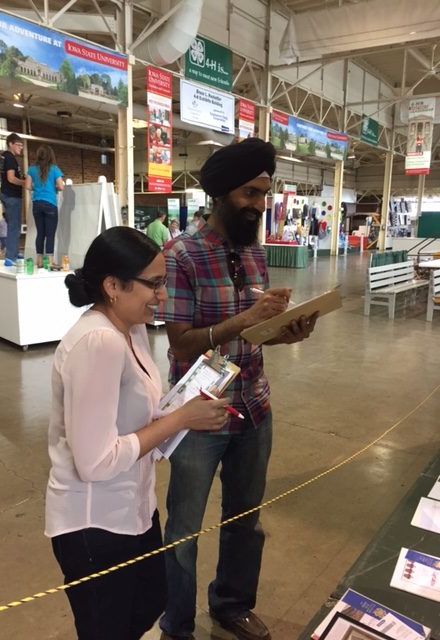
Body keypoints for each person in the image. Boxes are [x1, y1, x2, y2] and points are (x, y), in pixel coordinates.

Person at [159, 138, 318, 640]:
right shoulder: (181, 255)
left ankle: (230, 604)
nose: (258, 205)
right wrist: (248, 317)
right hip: (199, 414)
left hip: (255, 406)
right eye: (250, 193)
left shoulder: (254, 252)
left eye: (264, 194)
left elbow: (255, 333)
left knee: (245, 519)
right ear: (222, 193)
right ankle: (177, 625)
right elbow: (182, 345)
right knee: (183, 529)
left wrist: (287, 329)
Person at [45, 226, 230, 640]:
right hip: (94, 524)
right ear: (113, 285)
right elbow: (95, 463)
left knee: (150, 600)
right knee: (108, 629)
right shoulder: (98, 342)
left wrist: (187, 406)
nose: (163, 295)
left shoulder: (131, 330)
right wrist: (181, 421)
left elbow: (141, 418)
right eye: (155, 284)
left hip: (133, 508)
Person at [26, 145, 64, 268]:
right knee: (50, 234)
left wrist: (37, 188)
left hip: (36, 204)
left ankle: (40, 261)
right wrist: (54, 188)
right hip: (50, 204)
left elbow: (27, 186)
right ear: (50, 156)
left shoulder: (31, 169)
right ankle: (50, 262)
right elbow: (61, 186)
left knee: (40, 233)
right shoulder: (54, 169)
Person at [0, 132, 25, 265]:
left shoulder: (5, 156)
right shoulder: (9, 157)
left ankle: (13, 252)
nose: (21, 148)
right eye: (18, 145)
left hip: (7, 194)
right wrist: (25, 183)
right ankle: (10, 257)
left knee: (13, 225)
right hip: (11, 195)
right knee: (14, 226)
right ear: (10, 144)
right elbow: (11, 178)